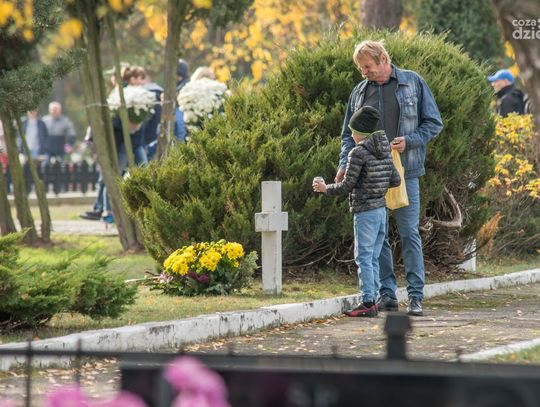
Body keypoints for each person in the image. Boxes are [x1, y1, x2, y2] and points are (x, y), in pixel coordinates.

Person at [336, 40, 443, 317]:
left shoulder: (413, 82)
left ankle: (416, 296)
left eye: (367, 67)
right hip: (369, 178)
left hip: (406, 172)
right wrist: (344, 164)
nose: (364, 73)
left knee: (409, 233)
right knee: (378, 239)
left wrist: (410, 141)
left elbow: (434, 123)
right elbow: (348, 134)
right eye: (361, 69)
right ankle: (387, 295)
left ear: (383, 58)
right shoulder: (360, 91)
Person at [314, 106, 401, 317]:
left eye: (353, 130)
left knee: (363, 257)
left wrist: (325, 188)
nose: (351, 135)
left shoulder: (358, 152)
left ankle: (367, 301)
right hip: (381, 211)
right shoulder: (385, 149)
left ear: (360, 132)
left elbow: (347, 186)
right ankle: (374, 300)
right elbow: (395, 180)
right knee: (373, 257)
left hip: (365, 212)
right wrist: (377, 184)